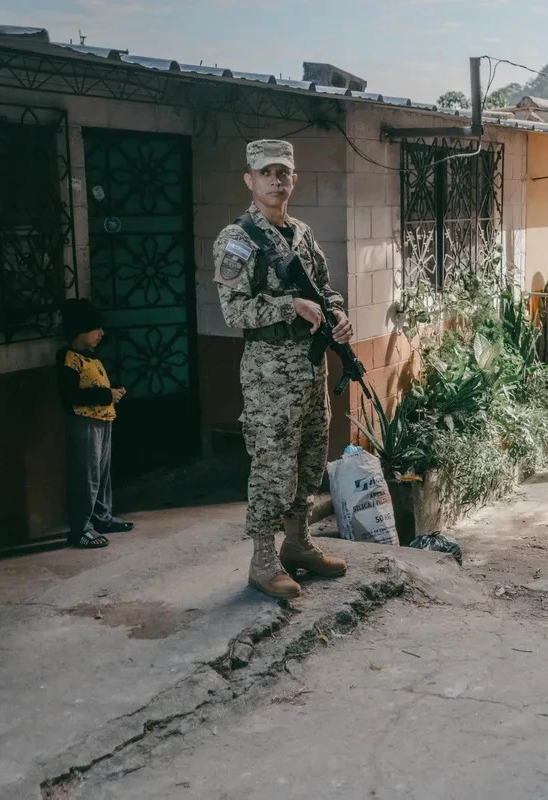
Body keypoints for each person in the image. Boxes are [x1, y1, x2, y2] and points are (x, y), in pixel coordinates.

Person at [214, 139, 354, 600]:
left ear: (294, 179)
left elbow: (324, 290)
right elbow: (233, 311)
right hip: (269, 375)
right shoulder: (237, 239)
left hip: (310, 370)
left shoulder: (302, 234)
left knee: (310, 459)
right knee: (272, 466)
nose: (275, 180)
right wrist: (288, 305)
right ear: (249, 180)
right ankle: (262, 560)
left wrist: (337, 313)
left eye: (282, 172)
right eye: (265, 172)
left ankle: (297, 544)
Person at [56, 298, 132, 548]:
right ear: (80, 330)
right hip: (84, 424)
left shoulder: (90, 357)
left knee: (101, 474)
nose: (101, 333)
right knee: (85, 476)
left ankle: (101, 517)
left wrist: (112, 392)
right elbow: (71, 396)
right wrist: (106, 395)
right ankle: (81, 528)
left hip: (103, 421)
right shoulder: (68, 359)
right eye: (95, 329)